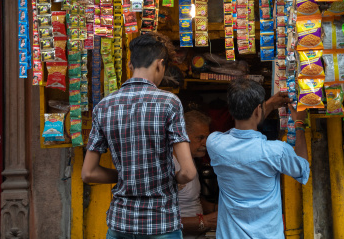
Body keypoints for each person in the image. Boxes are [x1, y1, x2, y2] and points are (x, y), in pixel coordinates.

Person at [81, 32, 197, 239]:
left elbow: (88, 173)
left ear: (130, 66)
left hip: (120, 223)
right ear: (160, 64)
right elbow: (188, 172)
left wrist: (129, 176)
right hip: (161, 224)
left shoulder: (104, 106)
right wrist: (171, 178)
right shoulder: (169, 103)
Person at [207, 78, 310, 239]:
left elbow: (242, 131)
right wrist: (299, 124)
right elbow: (303, 168)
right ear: (257, 110)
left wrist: (266, 105)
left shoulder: (214, 144)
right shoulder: (276, 151)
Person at [174, 111, 218, 238]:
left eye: (206, 138)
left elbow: (193, 199)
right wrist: (205, 221)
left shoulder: (190, 160)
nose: (205, 143)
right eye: (200, 138)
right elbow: (160, 220)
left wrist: (218, 209)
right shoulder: (170, 165)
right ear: (183, 136)